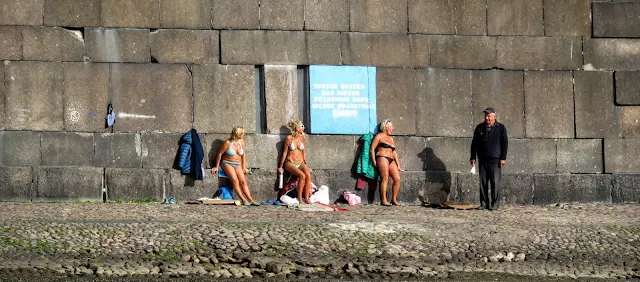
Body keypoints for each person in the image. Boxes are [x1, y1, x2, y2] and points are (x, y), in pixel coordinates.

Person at [470, 107, 508, 211]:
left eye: (488, 116)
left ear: (494, 116)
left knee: (495, 182)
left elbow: (504, 144)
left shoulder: (500, 128)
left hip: (495, 160)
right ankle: (484, 203)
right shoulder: (480, 128)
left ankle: (495, 204)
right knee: (483, 183)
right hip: (483, 159)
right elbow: (474, 144)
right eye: (485, 115)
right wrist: (473, 157)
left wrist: (503, 158)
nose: (486, 118)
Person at [211, 126, 258, 206]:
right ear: (238, 134)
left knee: (243, 182)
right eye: (242, 133)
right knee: (235, 181)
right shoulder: (227, 143)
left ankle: (251, 200)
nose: (243, 134)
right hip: (227, 163)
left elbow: (243, 155)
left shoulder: (242, 142)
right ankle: (243, 199)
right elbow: (219, 154)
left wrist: (244, 167)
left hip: (238, 164)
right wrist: (216, 166)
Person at [278, 120, 312, 204]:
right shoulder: (289, 138)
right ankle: (300, 199)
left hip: (300, 162)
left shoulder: (303, 138)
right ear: (297, 128)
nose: (303, 128)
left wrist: (305, 164)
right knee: (302, 176)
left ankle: (307, 198)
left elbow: (304, 152)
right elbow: (285, 152)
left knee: (307, 174)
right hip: (290, 162)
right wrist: (281, 166)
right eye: (302, 126)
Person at [371, 119, 403, 206]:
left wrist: (398, 165)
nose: (392, 128)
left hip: (391, 159)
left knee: (397, 179)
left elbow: (394, 152)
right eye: (391, 127)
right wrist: (374, 161)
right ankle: (384, 200)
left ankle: (393, 199)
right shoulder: (379, 136)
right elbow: (372, 148)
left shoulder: (391, 138)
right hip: (382, 157)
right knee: (385, 179)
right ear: (385, 127)